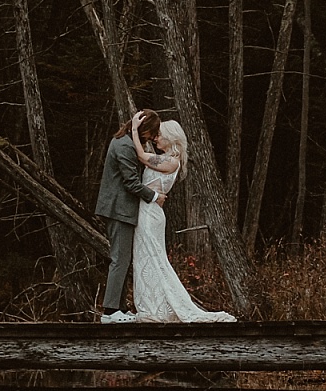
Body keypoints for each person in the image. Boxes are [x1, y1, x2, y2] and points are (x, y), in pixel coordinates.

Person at [127, 118, 236, 322]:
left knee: (154, 258)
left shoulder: (171, 161)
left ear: (171, 138)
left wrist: (134, 129)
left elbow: (142, 156)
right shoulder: (167, 158)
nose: (156, 138)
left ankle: (158, 308)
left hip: (150, 214)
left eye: (159, 135)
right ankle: (152, 306)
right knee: (146, 257)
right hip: (147, 210)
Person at [94, 109, 164, 322]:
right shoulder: (124, 146)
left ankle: (119, 307)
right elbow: (131, 182)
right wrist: (154, 196)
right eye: (151, 132)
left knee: (123, 258)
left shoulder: (125, 141)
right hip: (118, 209)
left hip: (121, 209)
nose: (152, 137)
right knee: (119, 259)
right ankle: (109, 312)